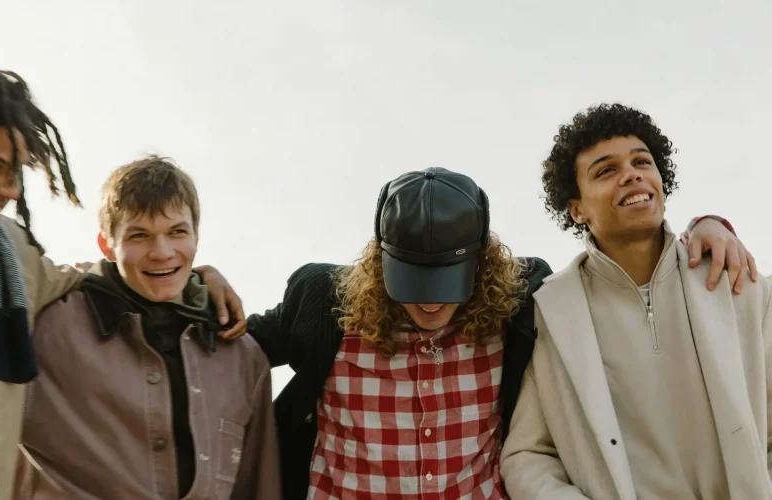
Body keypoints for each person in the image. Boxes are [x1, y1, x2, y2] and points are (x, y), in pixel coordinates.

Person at [247, 166, 751, 499]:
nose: (428, 300)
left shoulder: (521, 301)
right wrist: (195, 284)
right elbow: (232, 346)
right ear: (380, 263)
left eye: (445, 280)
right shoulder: (323, 302)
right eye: (412, 279)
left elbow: (618, 282)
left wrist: (706, 225)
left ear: (483, 262)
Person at [0, 60, 244, 500]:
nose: (10, 190)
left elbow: (107, 277)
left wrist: (196, 280)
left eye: (15, 170)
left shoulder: (14, 259)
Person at [500, 103, 769, 499]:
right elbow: (527, 454)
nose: (631, 174)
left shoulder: (738, 285)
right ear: (576, 209)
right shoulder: (551, 314)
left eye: (642, 161)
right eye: (606, 170)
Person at [14, 156, 280, 499]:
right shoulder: (45, 326)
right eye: (139, 235)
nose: (162, 252)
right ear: (107, 245)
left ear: (196, 236)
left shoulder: (244, 358)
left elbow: (260, 485)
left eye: (177, 232)